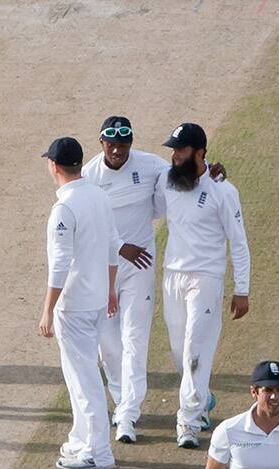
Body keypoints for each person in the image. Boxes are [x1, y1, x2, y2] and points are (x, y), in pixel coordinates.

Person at [82, 116, 227, 444]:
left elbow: (184, 175)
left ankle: (129, 413)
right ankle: (123, 402)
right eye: (111, 143)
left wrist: (213, 173)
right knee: (108, 344)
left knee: (135, 339)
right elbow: (86, 224)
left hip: (140, 267)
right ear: (101, 143)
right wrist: (120, 247)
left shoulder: (149, 166)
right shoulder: (90, 176)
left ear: (131, 143)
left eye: (124, 143)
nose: (118, 149)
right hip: (102, 269)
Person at [154, 122, 250, 449]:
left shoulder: (223, 191)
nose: (175, 155)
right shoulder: (167, 180)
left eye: (181, 150)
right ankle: (202, 398)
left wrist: (242, 289)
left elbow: (238, 242)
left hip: (205, 279)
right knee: (180, 351)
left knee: (197, 350)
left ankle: (188, 422)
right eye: (173, 150)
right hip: (172, 277)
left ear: (200, 152)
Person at [39, 137, 120, 469]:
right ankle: (80, 439)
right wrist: (111, 290)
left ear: (54, 166)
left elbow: (60, 263)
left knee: (83, 377)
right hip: (97, 299)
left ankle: (98, 452)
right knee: (78, 375)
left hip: (74, 306)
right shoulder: (99, 195)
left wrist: (47, 309)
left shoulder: (64, 208)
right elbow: (114, 246)